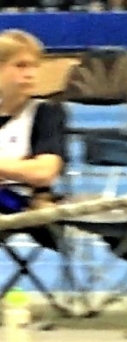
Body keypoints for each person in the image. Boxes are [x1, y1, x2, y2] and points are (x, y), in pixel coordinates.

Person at [0, 30, 67, 217]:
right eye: (20, 66)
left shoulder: (46, 112)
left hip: (21, 203)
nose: (30, 74)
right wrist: (18, 167)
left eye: (34, 66)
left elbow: (44, 172)